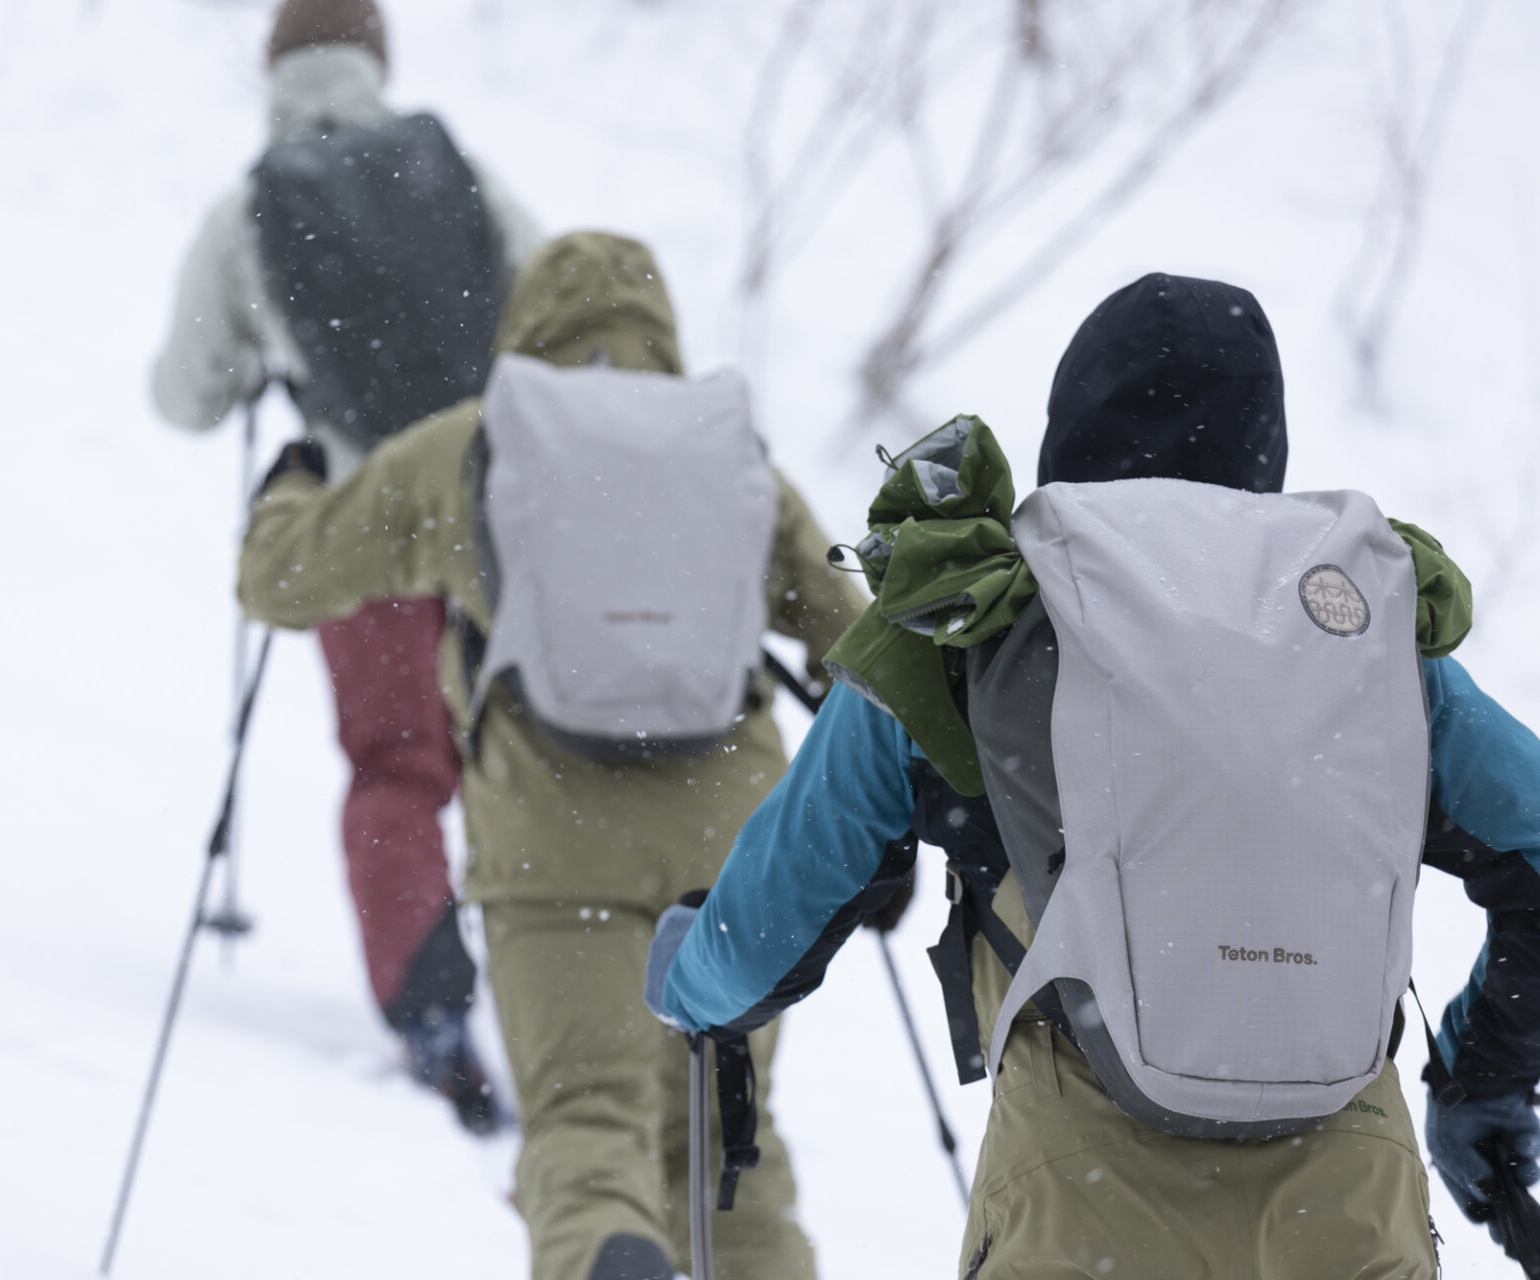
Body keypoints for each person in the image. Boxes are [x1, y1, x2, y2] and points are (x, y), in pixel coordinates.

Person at [646, 272, 1540, 1277]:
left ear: (1068, 427)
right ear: (1267, 446)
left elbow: (770, 920)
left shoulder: (977, 623)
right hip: (1351, 1220)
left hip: (1078, 1216)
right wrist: (1484, 1071)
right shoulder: (1367, 639)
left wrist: (690, 979)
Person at [237, 231, 865, 1280]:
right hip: (740, 854)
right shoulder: (733, 454)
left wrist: (291, 482)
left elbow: (282, 578)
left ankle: (611, 1258)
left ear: (528, 323)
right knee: (730, 1149)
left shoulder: (478, 444)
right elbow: (858, 640)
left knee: (587, 1123)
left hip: (554, 844)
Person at [149, 0, 542, 1132]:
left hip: (361, 520)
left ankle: (430, 1010)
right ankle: (557, 985)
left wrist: (263, 369)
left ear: (278, 70)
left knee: (398, 756)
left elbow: (184, 393)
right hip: (488, 501)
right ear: (376, 60)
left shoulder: (251, 206)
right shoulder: (448, 165)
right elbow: (553, 295)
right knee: (515, 746)